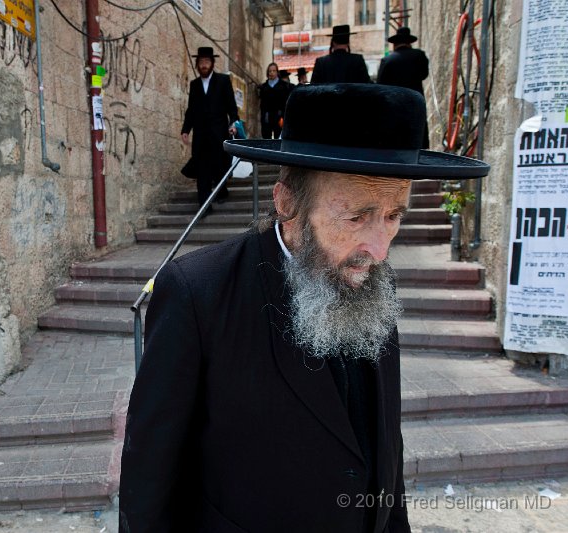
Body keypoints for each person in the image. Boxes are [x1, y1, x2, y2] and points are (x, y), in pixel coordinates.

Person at [119, 84, 489, 532]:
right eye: (356, 216)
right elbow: (149, 477)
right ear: (287, 203)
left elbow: (385, 445)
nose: (379, 249)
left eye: (394, 216)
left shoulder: (369, 276)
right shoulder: (198, 292)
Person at [181, 46, 238, 212]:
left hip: (219, 133)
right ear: (197, 65)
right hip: (200, 135)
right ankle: (204, 206)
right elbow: (191, 110)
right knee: (202, 169)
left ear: (212, 63)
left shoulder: (223, 81)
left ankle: (222, 191)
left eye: (207, 61)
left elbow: (231, 107)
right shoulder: (195, 85)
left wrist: (233, 122)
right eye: (201, 62)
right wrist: (186, 129)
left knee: (220, 165)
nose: (204, 65)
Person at [377, 27, 430, 147]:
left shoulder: (387, 60)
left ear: (395, 44)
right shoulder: (419, 55)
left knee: (397, 139)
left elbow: (380, 85)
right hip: (415, 100)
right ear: (409, 43)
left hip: (395, 104)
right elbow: (424, 74)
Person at [258, 62, 289, 139]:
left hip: (279, 115)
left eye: (274, 71)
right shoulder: (264, 87)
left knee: (278, 138)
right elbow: (262, 104)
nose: (271, 73)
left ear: (277, 72)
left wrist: (283, 117)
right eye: (270, 71)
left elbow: (285, 103)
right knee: (266, 137)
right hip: (267, 116)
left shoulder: (283, 86)